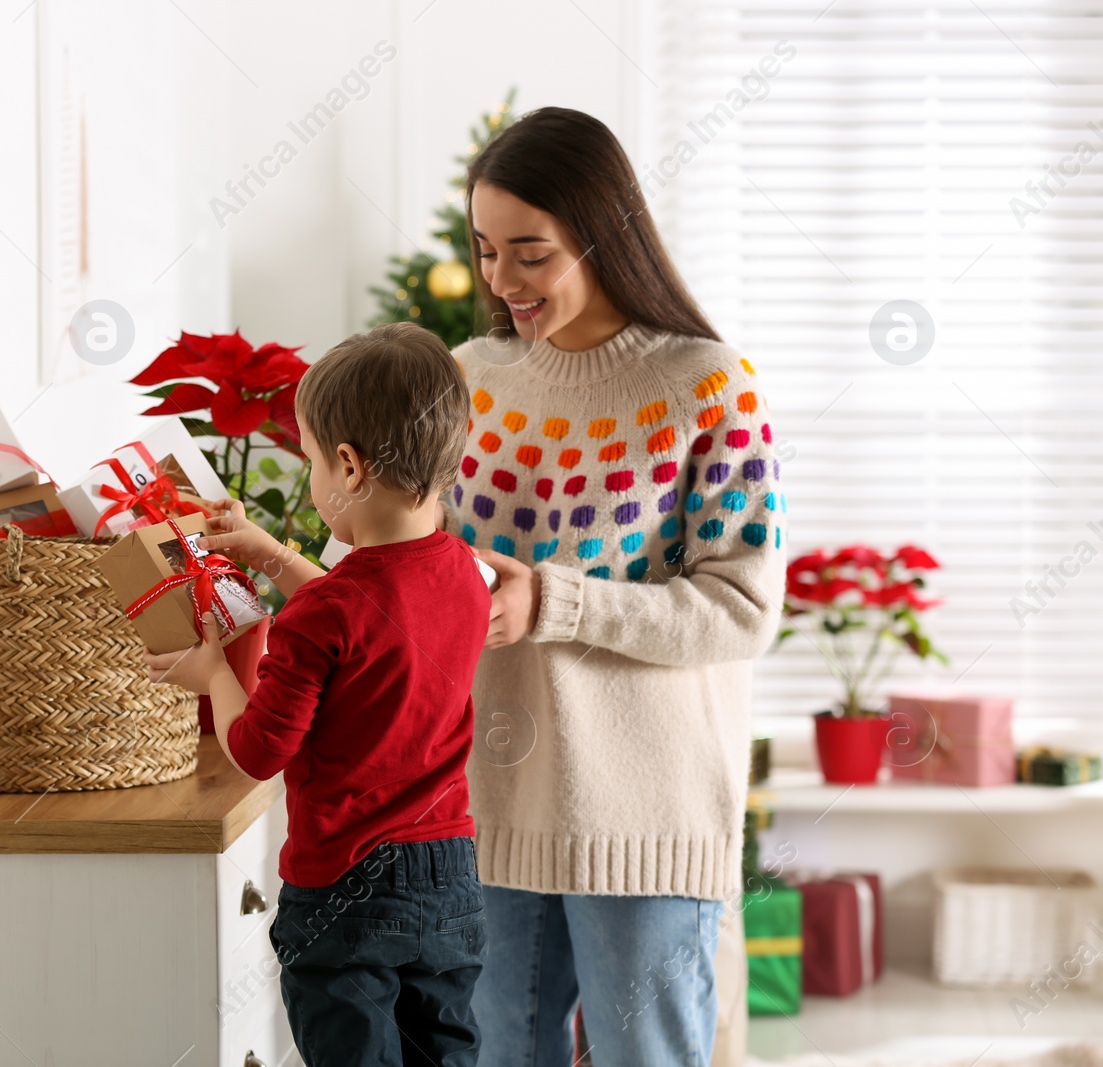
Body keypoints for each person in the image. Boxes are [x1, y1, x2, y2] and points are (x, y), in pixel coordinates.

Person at [447, 107, 788, 1065]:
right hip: (490, 806)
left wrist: (555, 602)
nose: (501, 282)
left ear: (602, 236)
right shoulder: (467, 380)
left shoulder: (710, 386)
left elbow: (743, 608)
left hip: (646, 816)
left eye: (530, 254)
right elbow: (417, 570)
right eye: (484, 251)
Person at [146, 321, 494, 1067]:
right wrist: (274, 555)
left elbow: (259, 750)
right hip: (449, 875)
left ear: (348, 465)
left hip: (347, 887)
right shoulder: (462, 571)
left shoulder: (322, 615)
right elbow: (372, 616)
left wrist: (212, 673)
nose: (309, 477)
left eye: (307, 459)